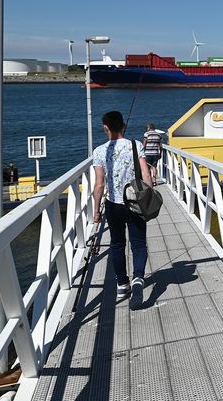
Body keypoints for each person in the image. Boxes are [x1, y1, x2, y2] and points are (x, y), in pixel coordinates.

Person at [93, 110, 152, 310]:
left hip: (112, 205)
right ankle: (138, 280)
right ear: (123, 127)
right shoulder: (136, 146)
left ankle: (122, 284)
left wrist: (96, 212)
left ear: (105, 128)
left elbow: (99, 185)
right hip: (135, 202)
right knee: (138, 243)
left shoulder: (100, 151)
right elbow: (146, 175)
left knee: (117, 244)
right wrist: (149, 199)